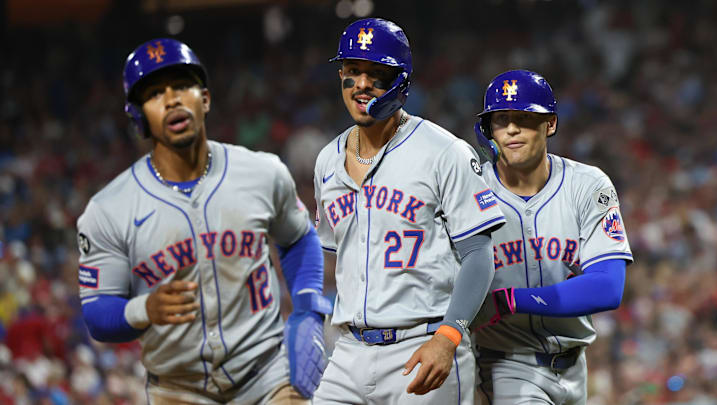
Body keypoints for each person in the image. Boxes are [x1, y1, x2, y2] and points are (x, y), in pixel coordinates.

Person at [76, 38, 331, 404]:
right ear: (139, 117)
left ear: (205, 98)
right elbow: (98, 313)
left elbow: (298, 238)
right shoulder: (108, 209)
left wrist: (307, 307)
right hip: (177, 390)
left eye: (182, 85)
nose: (172, 99)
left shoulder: (262, 172)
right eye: (154, 93)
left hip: (268, 376)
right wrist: (144, 308)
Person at [312, 18, 506, 404]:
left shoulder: (444, 152)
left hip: (422, 343)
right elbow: (339, 261)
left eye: (376, 73)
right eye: (353, 71)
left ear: (401, 81)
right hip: (349, 350)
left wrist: (449, 336)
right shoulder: (326, 161)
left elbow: (479, 255)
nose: (362, 84)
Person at [471, 70, 633, 405]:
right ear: (489, 131)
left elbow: (608, 286)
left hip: (576, 367)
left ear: (551, 124)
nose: (512, 129)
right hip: (503, 366)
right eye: (501, 120)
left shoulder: (587, 185)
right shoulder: (469, 190)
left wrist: (510, 300)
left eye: (525, 118)